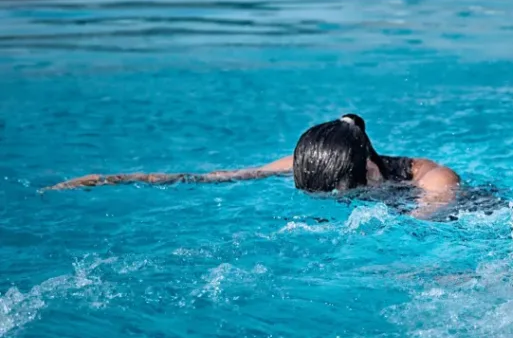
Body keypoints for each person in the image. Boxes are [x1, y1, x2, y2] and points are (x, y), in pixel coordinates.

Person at [45, 114, 461, 213]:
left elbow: (430, 217)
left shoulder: (432, 179)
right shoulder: (298, 163)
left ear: (371, 169)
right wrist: (113, 178)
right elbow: (216, 178)